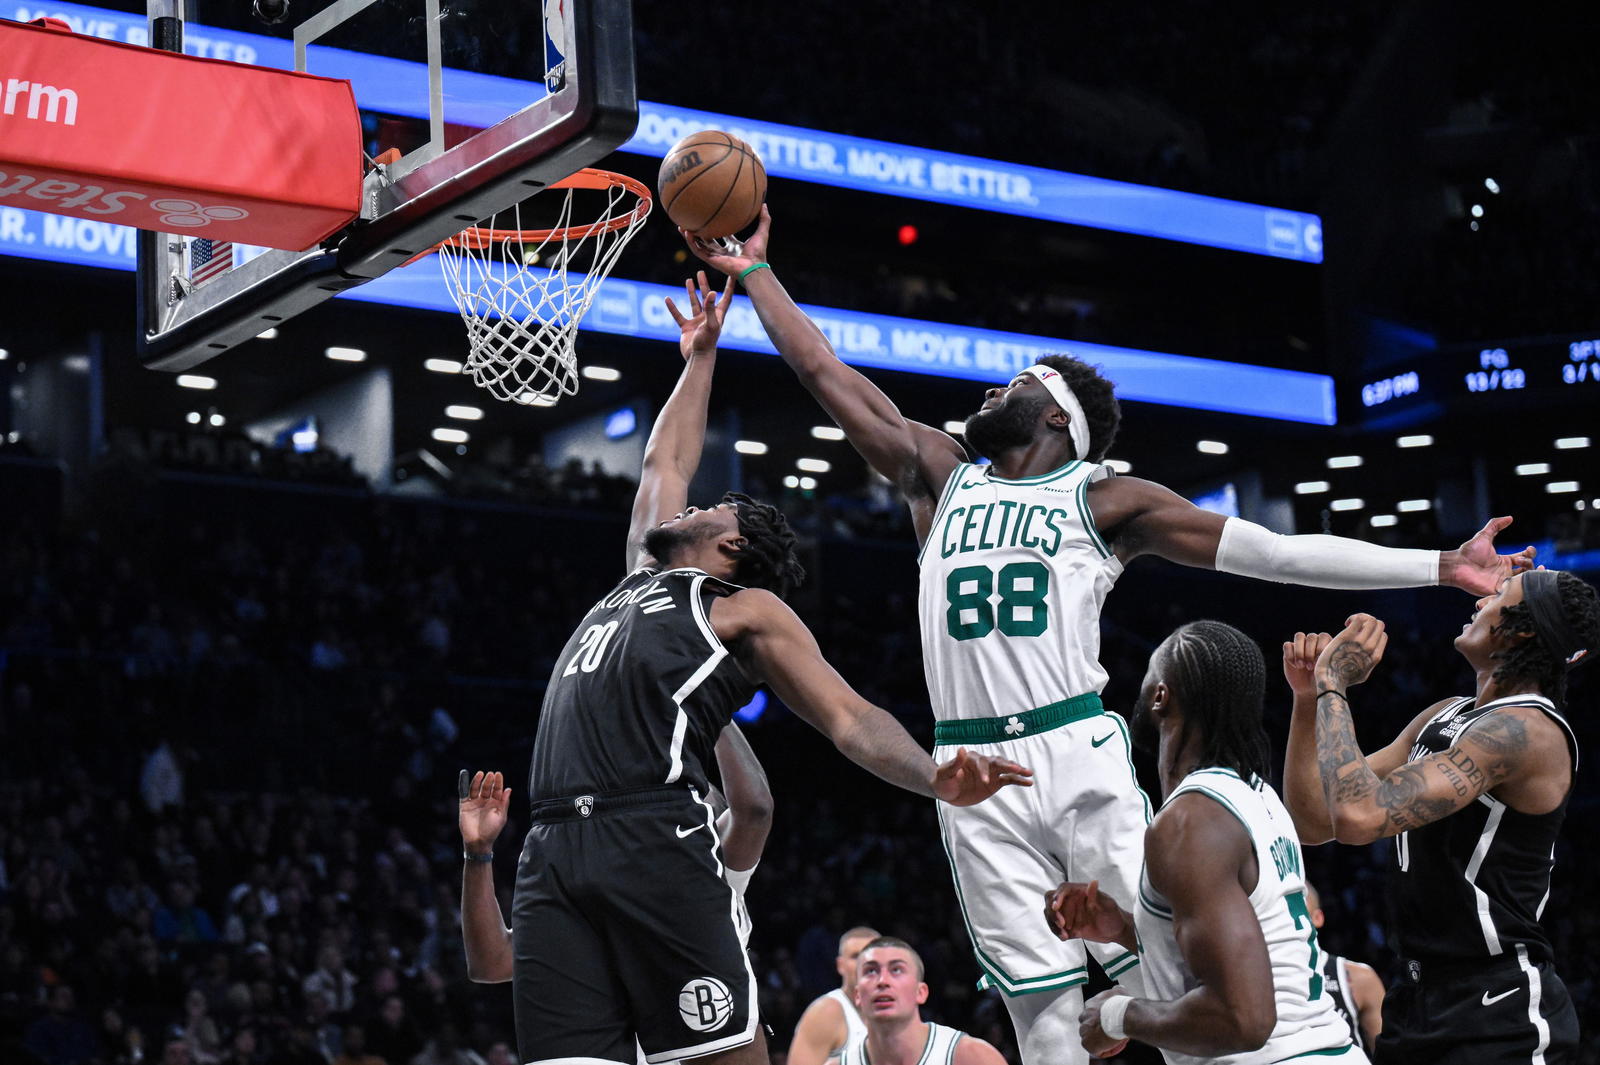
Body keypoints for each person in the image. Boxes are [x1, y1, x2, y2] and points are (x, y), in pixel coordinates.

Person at [685, 208, 1532, 1065]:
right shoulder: (939, 475)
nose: (988, 394)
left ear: (1055, 417)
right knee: (1044, 1019)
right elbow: (826, 371)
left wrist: (1437, 564)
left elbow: (1273, 552)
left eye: (1011, 382)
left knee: (1165, 977)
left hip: (1075, 746)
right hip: (967, 768)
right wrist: (757, 274)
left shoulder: (1103, 499)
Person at [507, 272, 1031, 1065]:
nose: (686, 505)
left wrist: (933, 775)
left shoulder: (742, 608)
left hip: (654, 835)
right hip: (549, 845)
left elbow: (848, 717)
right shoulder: (640, 578)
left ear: (733, 547)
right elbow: (663, 464)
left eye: (706, 508)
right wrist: (701, 356)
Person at [1283, 568, 1600, 1063]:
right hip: (1417, 997)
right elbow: (1313, 822)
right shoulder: (1446, 713)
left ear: (1521, 630)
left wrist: (1334, 686)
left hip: (1498, 1008)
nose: (1478, 603)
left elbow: (1359, 817)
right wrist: (1308, 701)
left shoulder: (1526, 730)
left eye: (1497, 596)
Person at [1045, 620, 1365, 1063]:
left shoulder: (1191, 821)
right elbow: (1239, 951)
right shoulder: (1254, 796)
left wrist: (1118, 1015)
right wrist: (1121, 927)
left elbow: (1245, 1021)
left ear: (1160, 695)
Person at [456, 722, 773, 1064]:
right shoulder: (592, 893)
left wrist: (707, 706)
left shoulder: (716, 873)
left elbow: (753, 808)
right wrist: (478, 854)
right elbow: (492, 962)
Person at [832, 937, 1008, 1065]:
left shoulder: (970, 1057)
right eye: (871, 971)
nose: (882, 981)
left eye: (897, 970)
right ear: (857, 996)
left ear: (921, 992)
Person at [1302, 880, 1384, 1055]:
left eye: (1296, 904)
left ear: (1318, 918)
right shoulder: (1254, 982)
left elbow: (1386, 1055)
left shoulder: (1358, 978)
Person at [788, 926, 878, 1065]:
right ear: (840, 965)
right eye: (855, 956)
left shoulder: (896, 1010)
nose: (864, 963)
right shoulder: (826, 1012)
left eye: (871, 956)